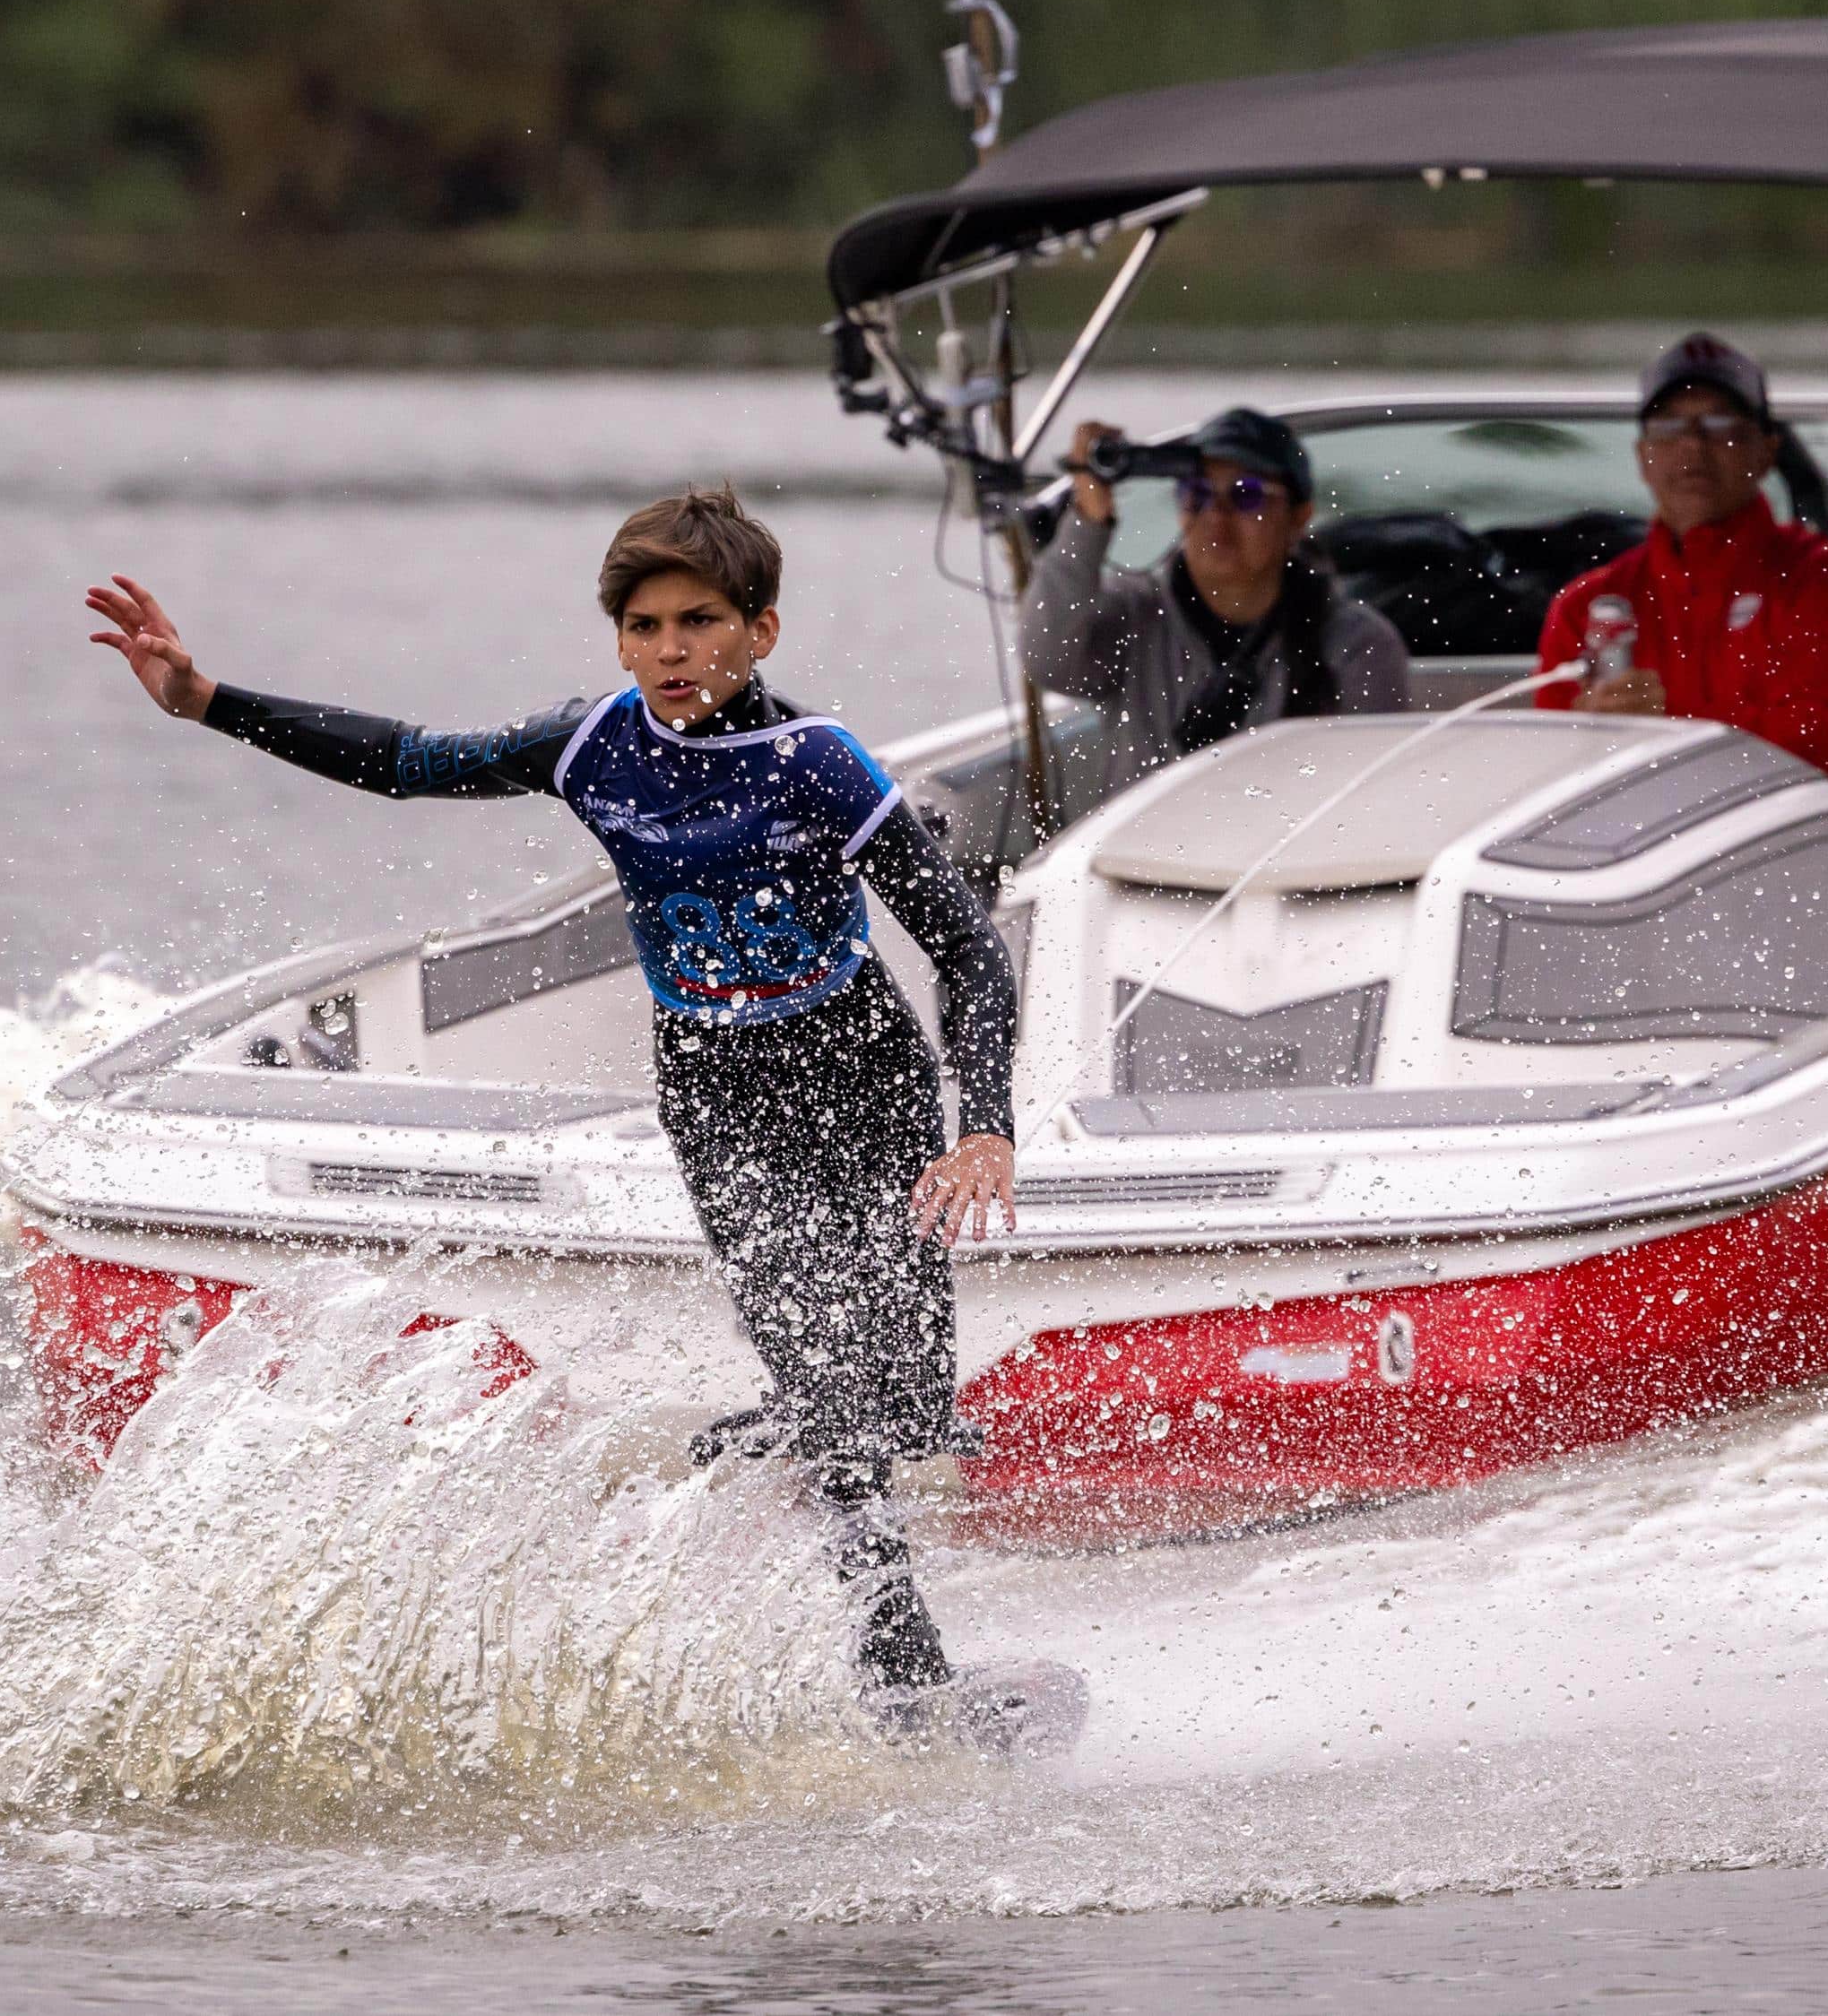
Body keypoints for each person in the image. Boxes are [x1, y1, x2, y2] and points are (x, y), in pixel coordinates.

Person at [82, 488, 1018, 1725]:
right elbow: (408, 760)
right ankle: (899, 1659)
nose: (671, 651)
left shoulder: (818, 767)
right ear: (618, 638)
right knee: (826, 1381)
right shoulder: (591, 745)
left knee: (899, 1395)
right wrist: (209, 702)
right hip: (716, 1083)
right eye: (644, 626)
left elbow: (967, 951)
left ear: (762, 633)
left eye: (699, 623)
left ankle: (816, 1467)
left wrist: (986, 1123)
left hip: (858, 1072)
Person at [1537, 333, 1828, 856]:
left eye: (1720, 425)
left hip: (1807, 864)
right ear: (1643, 456)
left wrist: (1668, 725)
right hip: (1640, 871)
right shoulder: (1585, 607)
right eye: (1669, 426)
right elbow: (1546, 775)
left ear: (1766, 450)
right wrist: (1592, 733)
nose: (1693, 445)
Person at [1023, 403, 1413, 797]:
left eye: (1247, 496)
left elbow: (1367, 804)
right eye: (1197, 493)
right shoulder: (1132, 618)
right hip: (1137, 856)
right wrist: (1089, 519)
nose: (1216, 516)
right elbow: (1048, 660)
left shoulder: (1358, 647)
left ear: (1299, 518)